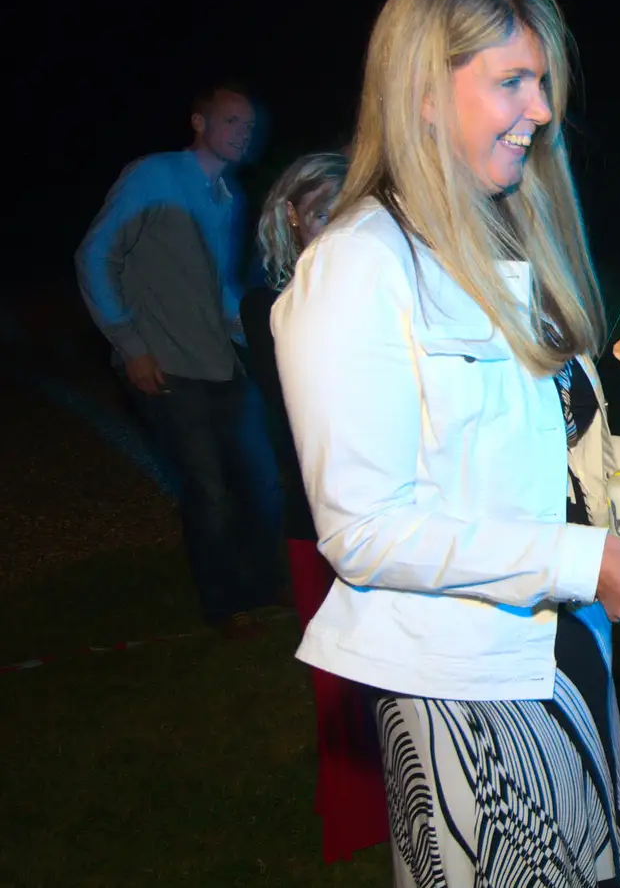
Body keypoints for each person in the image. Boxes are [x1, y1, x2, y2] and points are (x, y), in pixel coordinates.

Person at [271, 0, 620, 888]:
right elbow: (366, 528)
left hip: (565, 651)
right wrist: (583, 563)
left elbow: (555, 450)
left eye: (541, 82)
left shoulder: (504, 243)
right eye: (511, 80)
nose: (541, 109)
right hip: (464, 691)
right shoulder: (357, 268)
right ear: (424, 93)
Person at [76, 82, 285, 639]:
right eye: (231, 121)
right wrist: (130, 345)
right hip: (166, 364)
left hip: (220, 363)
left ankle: (270, 587)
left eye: (248, 125)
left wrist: (262, 336)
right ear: (199, 122)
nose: (243, 133)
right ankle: (225, 607)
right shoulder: (153, 176)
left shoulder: (228, 197)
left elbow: (217, 289)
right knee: (209, 488)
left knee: (262, 476)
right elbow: (96, 256)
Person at [239, 152, 389, 864]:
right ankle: (356, 810)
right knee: (336, 673)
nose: (336, 227)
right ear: (291, 215)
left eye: (350, 210)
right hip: (316, 513)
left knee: (394, 665)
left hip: (386, 507)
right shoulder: (269, 301)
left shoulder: (381, 286)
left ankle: (411, 797)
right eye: (323, 211)